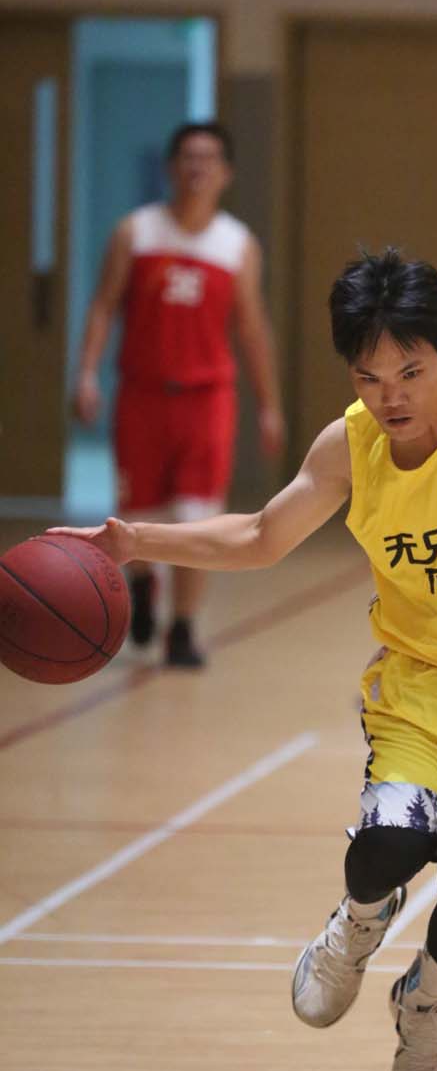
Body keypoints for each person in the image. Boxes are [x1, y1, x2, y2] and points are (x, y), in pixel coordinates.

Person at [57, 247, 437, 1071]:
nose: (391, 396)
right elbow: (261, 537)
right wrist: (135, 542)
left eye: (411, 371)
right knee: (387, 852)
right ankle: (359, 925)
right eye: (368, 377)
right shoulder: (352, 446)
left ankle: (426, 1007)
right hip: (421, 690)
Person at [72, 120, 286, 667]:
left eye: (209, 158)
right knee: (137, 511)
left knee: (197, 515)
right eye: (188, 157)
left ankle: (183, 627)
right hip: (142, 395)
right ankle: (143, 584)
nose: (197, 168)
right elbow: (102, 306)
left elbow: (252, 329)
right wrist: (87, 373)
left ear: (226, 173)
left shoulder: (237, 245)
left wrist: (269, 405)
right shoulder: (135, 232)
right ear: (171, 167)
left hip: (207, 397)